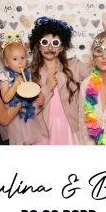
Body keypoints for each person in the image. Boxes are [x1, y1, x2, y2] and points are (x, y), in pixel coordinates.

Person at [29, 17, 90, 145]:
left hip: (70, 130)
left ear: (62, 47)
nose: (50, 47)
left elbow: (99, 72)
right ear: (38, 45)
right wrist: (47, 88)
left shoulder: (74, 66)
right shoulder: (30, 74)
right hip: (43, 132)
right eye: (45, 42)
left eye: (55, 43)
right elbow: (29, 111)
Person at [0, 33, 46, 145]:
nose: (20, 62)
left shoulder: (27, 74)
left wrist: (40, 96)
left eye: (23, 58)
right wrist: (15, 85)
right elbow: (5, 98)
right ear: (6, 62)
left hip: (28, 116)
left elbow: (33, 91)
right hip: (14, 119)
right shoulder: (5, 76)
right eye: (15, 59)